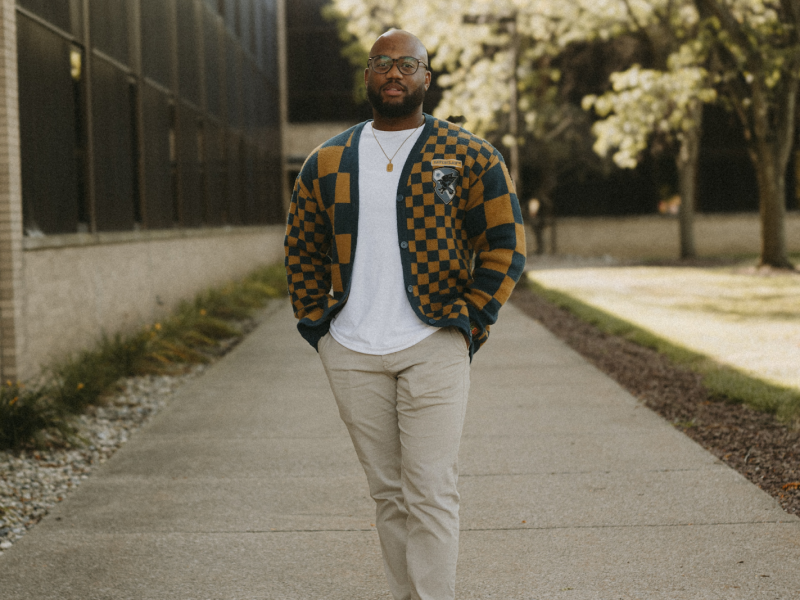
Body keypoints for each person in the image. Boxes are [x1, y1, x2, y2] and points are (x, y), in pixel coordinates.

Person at [284, 29, 526, 600]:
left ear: (427, 77)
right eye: (383, 64)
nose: (395, 74)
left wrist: (470, 320)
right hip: (351, 350)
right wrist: (319, 329)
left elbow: (505, 246)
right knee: (388, 493)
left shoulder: (467, 154)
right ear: (367, 75)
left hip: (434, 343)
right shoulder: (328, 161)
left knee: (432, 490)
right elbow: (301, 251)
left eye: (409, 64)